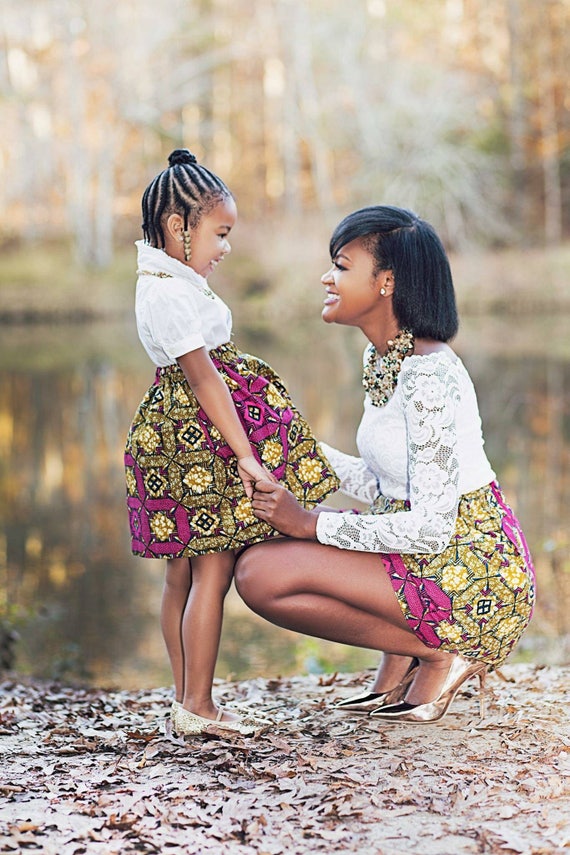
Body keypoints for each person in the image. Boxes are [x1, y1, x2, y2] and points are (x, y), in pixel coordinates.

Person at [235, 205, 535, 725]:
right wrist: (283, 445)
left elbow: (433, 525)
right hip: (428, 552)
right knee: (259, 564)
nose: (327, 277)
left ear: (386, 282)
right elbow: (386, 481)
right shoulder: (384, 359)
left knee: (263, 575)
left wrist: (310, 523)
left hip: (470, 569)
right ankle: (406, 655)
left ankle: (442, 650)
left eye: (343, 265)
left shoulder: (426, 375)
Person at [124, 149, 339, 736]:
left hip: (183, 435)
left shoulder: (167, 280)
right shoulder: (169, 292)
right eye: (219, 234)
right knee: (210, 572)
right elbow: (204, 378)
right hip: (200, 445)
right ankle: (198, 704)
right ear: (179, 227)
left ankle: (185, 698)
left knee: (182, 574)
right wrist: (246, 454)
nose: (225, 247)